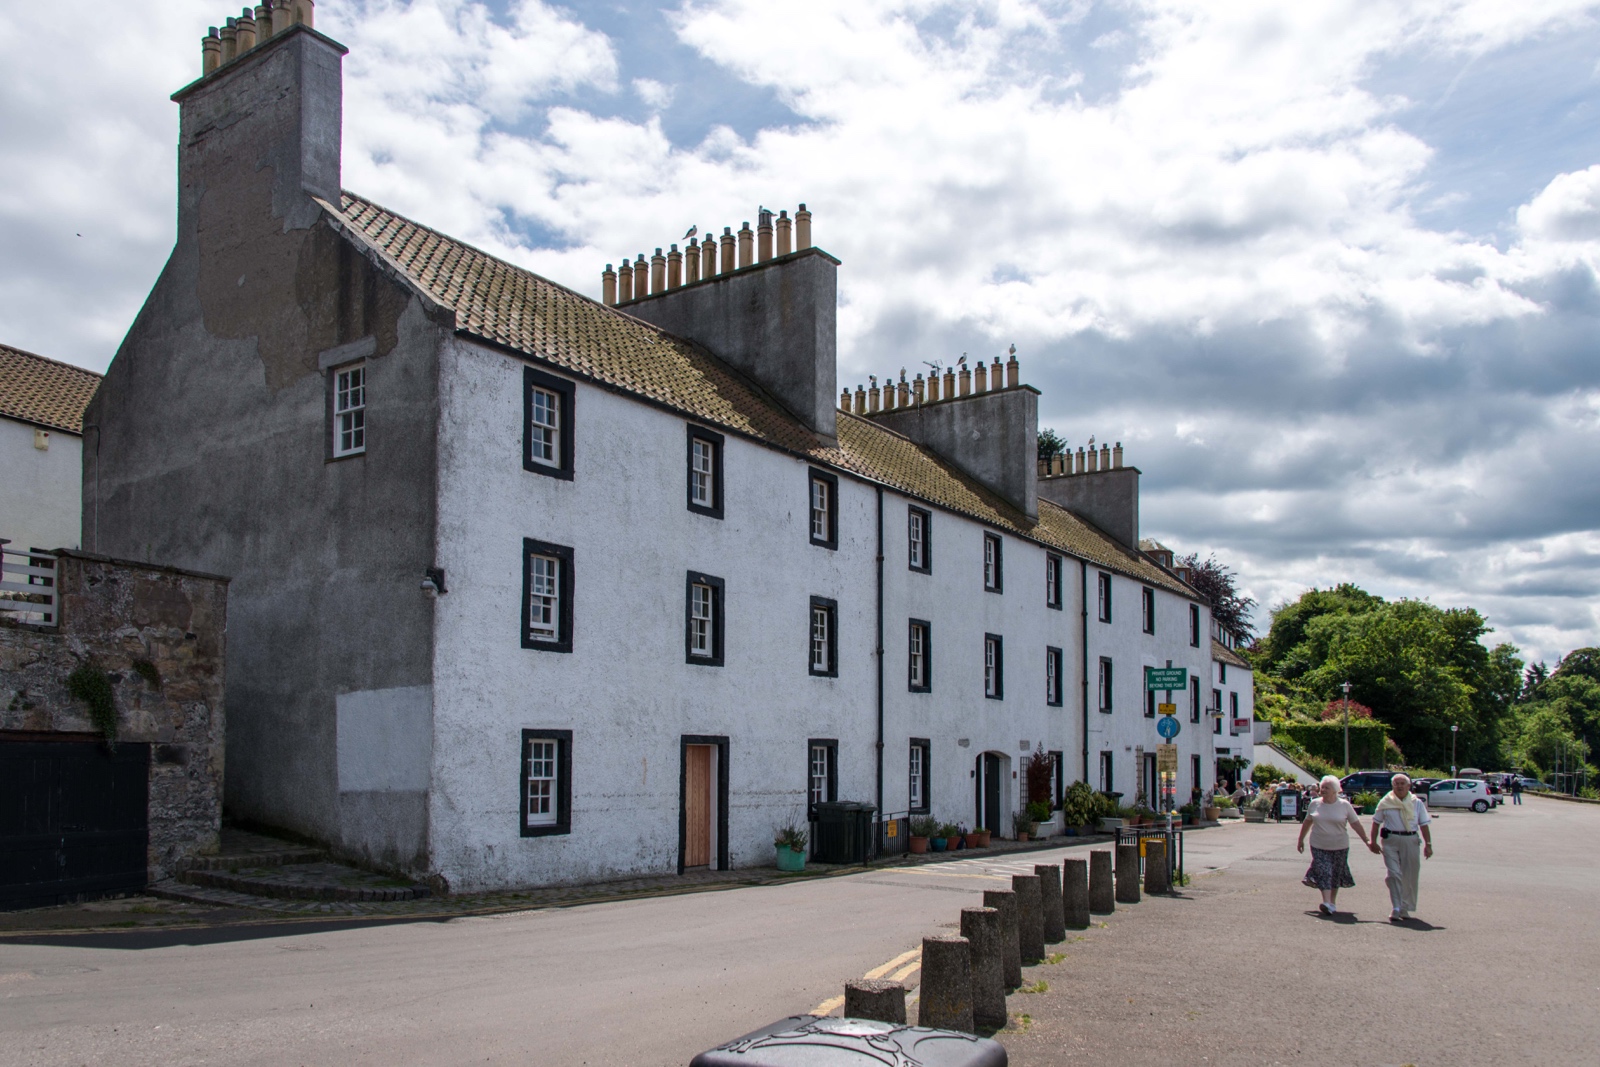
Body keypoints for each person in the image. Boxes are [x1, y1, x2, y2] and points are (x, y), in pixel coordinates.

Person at [1297, 775, 1371, 916]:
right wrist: (1300, 840)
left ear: (1335, 790)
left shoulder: (1344, 805)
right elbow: (1307, 822)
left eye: (1327, 788)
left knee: (1335, 874)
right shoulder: (1315, 803)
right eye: (1322, 787)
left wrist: (1366, 840)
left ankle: (1332, 903)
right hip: (1318, 844)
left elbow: (1355, 824)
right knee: (1324, 871)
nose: (1323, 790)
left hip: (1339, 845)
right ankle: (1325, 902)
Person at [1369, 773, 1433, 922]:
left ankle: (1405, 907)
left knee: (1409, 875)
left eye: (1402, 783)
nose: (1399, 786)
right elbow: (1376, 822)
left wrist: (1428, 845)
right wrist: (1373, 841)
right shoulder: (1385, 802)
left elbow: (1423, 824)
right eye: (1396, 783)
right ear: (1392, 786)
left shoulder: (1416, 803)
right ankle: (1396, 907)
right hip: (1390, 840)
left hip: (1410, 839)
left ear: (1408, 786)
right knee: (1394, 874)